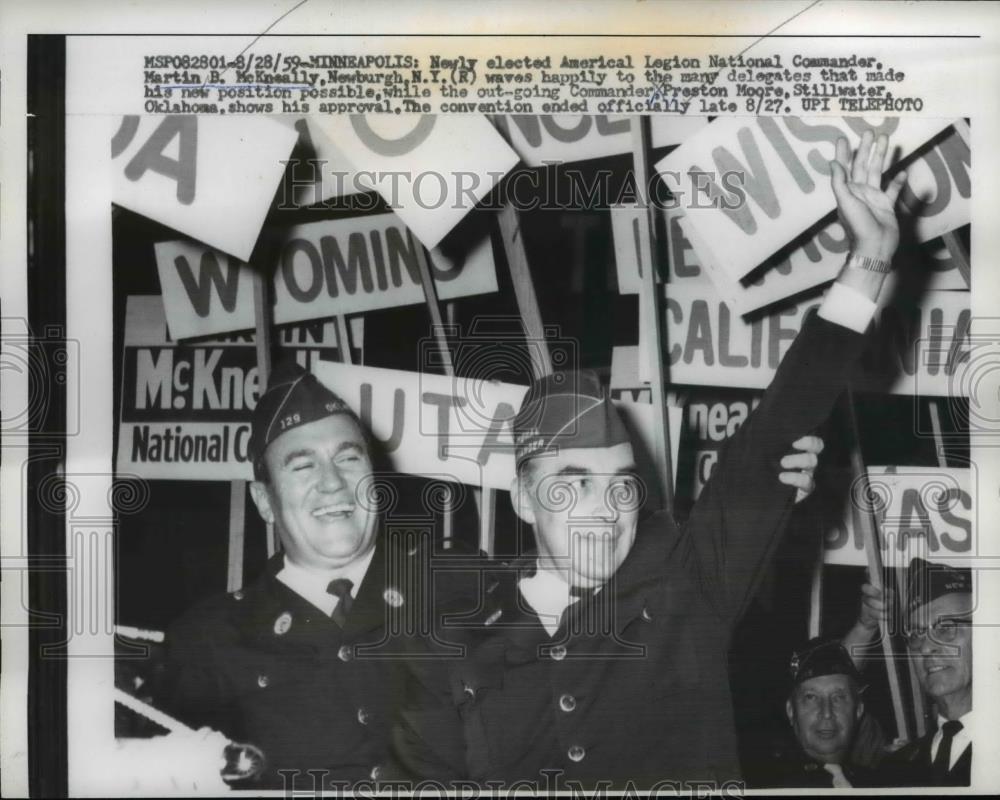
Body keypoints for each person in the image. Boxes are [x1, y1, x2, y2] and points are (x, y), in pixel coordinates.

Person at [388, 131, 910, 789]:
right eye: (571, 485)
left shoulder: (685, 587)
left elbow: (774, 429)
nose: (604, 512)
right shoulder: (452, 638)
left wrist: (869, 257)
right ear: (521, 497)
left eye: (621, 487)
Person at [159, 361, 468, 789]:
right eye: (303, 467)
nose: (333, 483)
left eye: (348, 458)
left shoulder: (462, 594)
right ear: (264, 502)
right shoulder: (206, 643)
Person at [844, 558, 974, 786]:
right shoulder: (895, 768)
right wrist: (865, 628)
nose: (925, 647)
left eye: (945, 628)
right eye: (915, 634)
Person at [753, 638, 876, 788]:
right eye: (811, 697)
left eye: (838, 697)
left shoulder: (876, 784)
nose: (826, 713)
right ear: (791, 711)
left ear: (858, 711)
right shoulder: (770, 788)